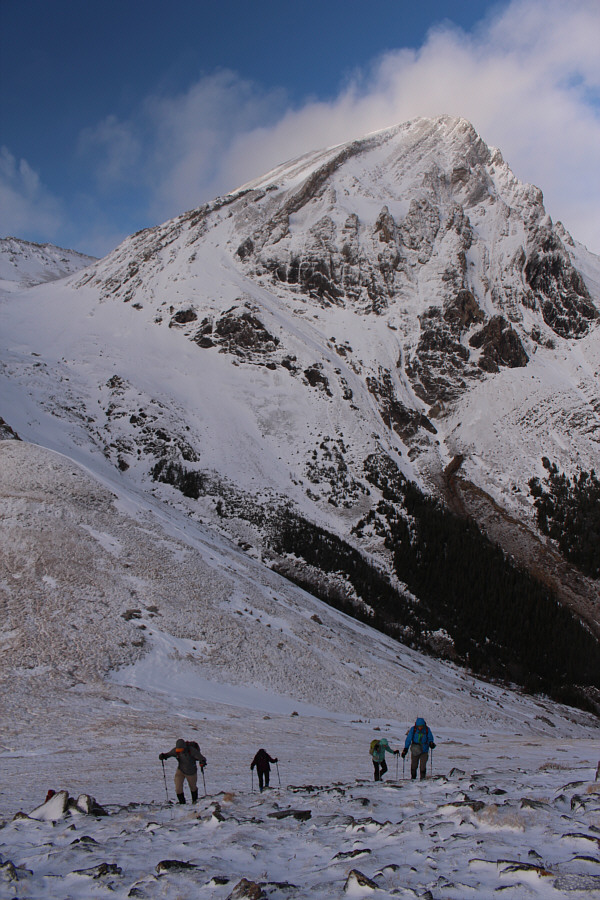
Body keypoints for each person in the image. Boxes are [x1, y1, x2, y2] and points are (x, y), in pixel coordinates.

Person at [159, 738, 206, 804]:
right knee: (178, 788)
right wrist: (163, 756)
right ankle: (182, 803)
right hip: (180, 770)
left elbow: (202, 758)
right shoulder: (176, 750)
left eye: (181, 750)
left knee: (193, 787)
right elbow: (168, 754)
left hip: (191, 772)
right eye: (178, 750)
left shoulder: (192, 750)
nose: (179, 752)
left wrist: (202, 762)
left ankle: (194, 802)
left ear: (184, 747)